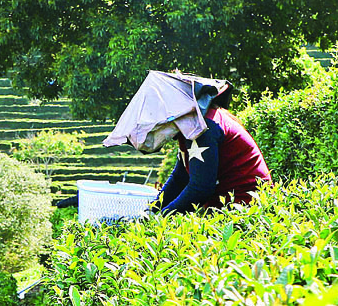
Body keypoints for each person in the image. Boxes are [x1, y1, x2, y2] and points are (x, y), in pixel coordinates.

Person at [108, 72, 270, 214]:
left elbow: (200, 188)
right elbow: (180, 176)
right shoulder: (191, 126)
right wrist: (152, 210)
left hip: (246, 206)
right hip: (227, 203)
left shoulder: (203, 128)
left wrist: (162, 217)